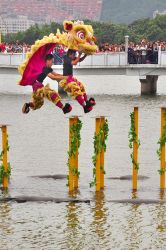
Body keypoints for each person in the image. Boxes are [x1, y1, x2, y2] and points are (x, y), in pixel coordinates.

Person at [60, 49, 96, 113]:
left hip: (71, 78)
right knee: (77, 92)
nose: (75, 56)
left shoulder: (70, 57)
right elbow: (75, 63)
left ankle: (87, 101)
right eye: (74, 55)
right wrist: (79, 54)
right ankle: (84, 107)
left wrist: (85, 55)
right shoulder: (66, 58)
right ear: (70, 54)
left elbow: (79, 60)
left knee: (81, 86)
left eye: (75, 55)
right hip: (66, 80)